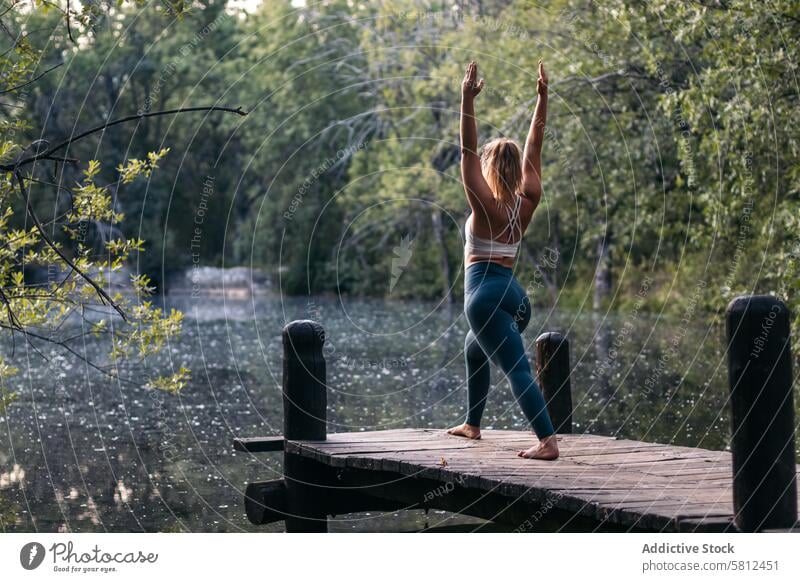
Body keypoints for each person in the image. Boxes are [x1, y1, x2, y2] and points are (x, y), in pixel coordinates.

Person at [447, 60, 559, 461]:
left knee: (517, 369)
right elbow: (534, 147)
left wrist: (466, 99)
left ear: (490, 168)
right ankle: (473, 423)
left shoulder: (484, 207)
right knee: (474, 348)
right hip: (515, 297)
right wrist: (542, 101)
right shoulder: (526, 202)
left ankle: (547, 441)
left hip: (485, 298)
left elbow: (465, 150)